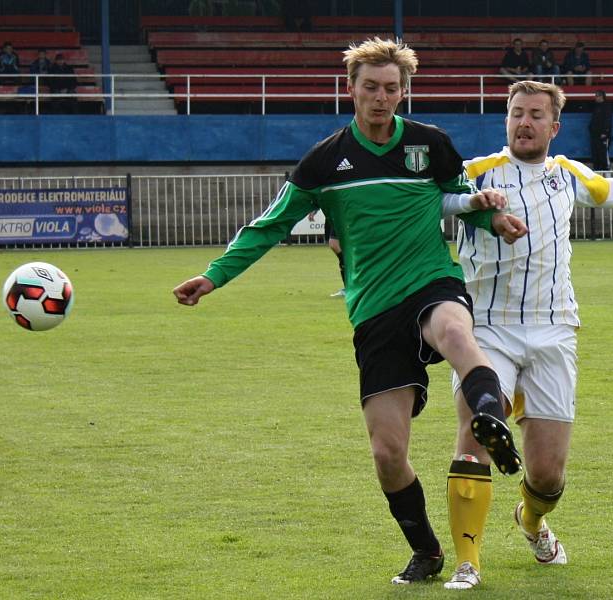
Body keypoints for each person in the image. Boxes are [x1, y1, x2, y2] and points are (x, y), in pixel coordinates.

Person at [172, 37, 530, 586]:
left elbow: (460, 201)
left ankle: (488, 416)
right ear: (352, 89)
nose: (381, 98)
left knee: (457, 333)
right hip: (372, 309)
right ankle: (427, 551)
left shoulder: (431, 145)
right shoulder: (324, 161)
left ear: (403, 91)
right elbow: (268, 226)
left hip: (431, 279)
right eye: (371, 88)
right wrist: (213, 275)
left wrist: (493, 220)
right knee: (388, 453)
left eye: (391, 88)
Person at [442, 79, 613, 590]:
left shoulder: (566, 174)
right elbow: (439, 203)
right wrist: (476, 208)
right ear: (505, 119)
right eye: (515, 113)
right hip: (486, 326)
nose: (523, 122)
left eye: (534, 115)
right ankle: (468, 561)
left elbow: (607, 190)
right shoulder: (474, 173)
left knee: (548, 474)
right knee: (476, 433)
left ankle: (530, 522)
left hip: (554, 329)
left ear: (554, 126)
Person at [308, 209, 346, 297]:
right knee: (335, 244)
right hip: (334, 214)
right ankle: (349, 286)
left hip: (344, 211)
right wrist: (315, 210)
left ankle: (350, 286)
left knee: (335, 244)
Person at [589, 89, 612, 171]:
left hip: (602, 135)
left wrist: (605, 132)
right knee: (595, 153)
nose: (596, 97)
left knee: (603, 154)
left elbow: (608, 120)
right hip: (594, 134)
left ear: (602, 96)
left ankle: (606, 170)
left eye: (597, 96)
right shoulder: (596, 106)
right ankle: (597, 169)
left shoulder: (606, 106)